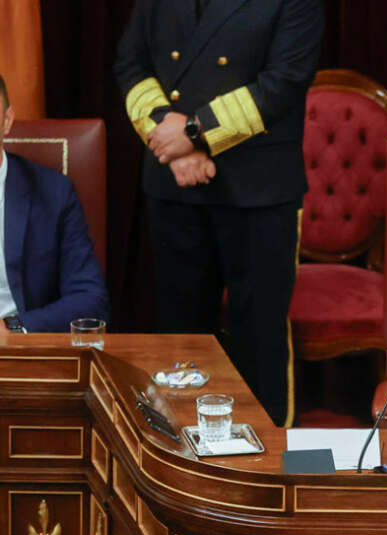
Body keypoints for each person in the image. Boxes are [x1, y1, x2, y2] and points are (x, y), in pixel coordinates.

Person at [113, 0, 323, 425]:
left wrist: (194, 134)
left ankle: (265, 465)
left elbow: (283, 82)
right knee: (180, 338)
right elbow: (130, 64)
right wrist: (170, 142)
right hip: (175, 186)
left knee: (259, 339)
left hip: (257, 191)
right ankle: (179, 460)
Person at [0, 74, 108, 333]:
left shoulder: (52, 191)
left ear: (7, 121)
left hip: (18, 347)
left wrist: (14, 329)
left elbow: (90, 298)